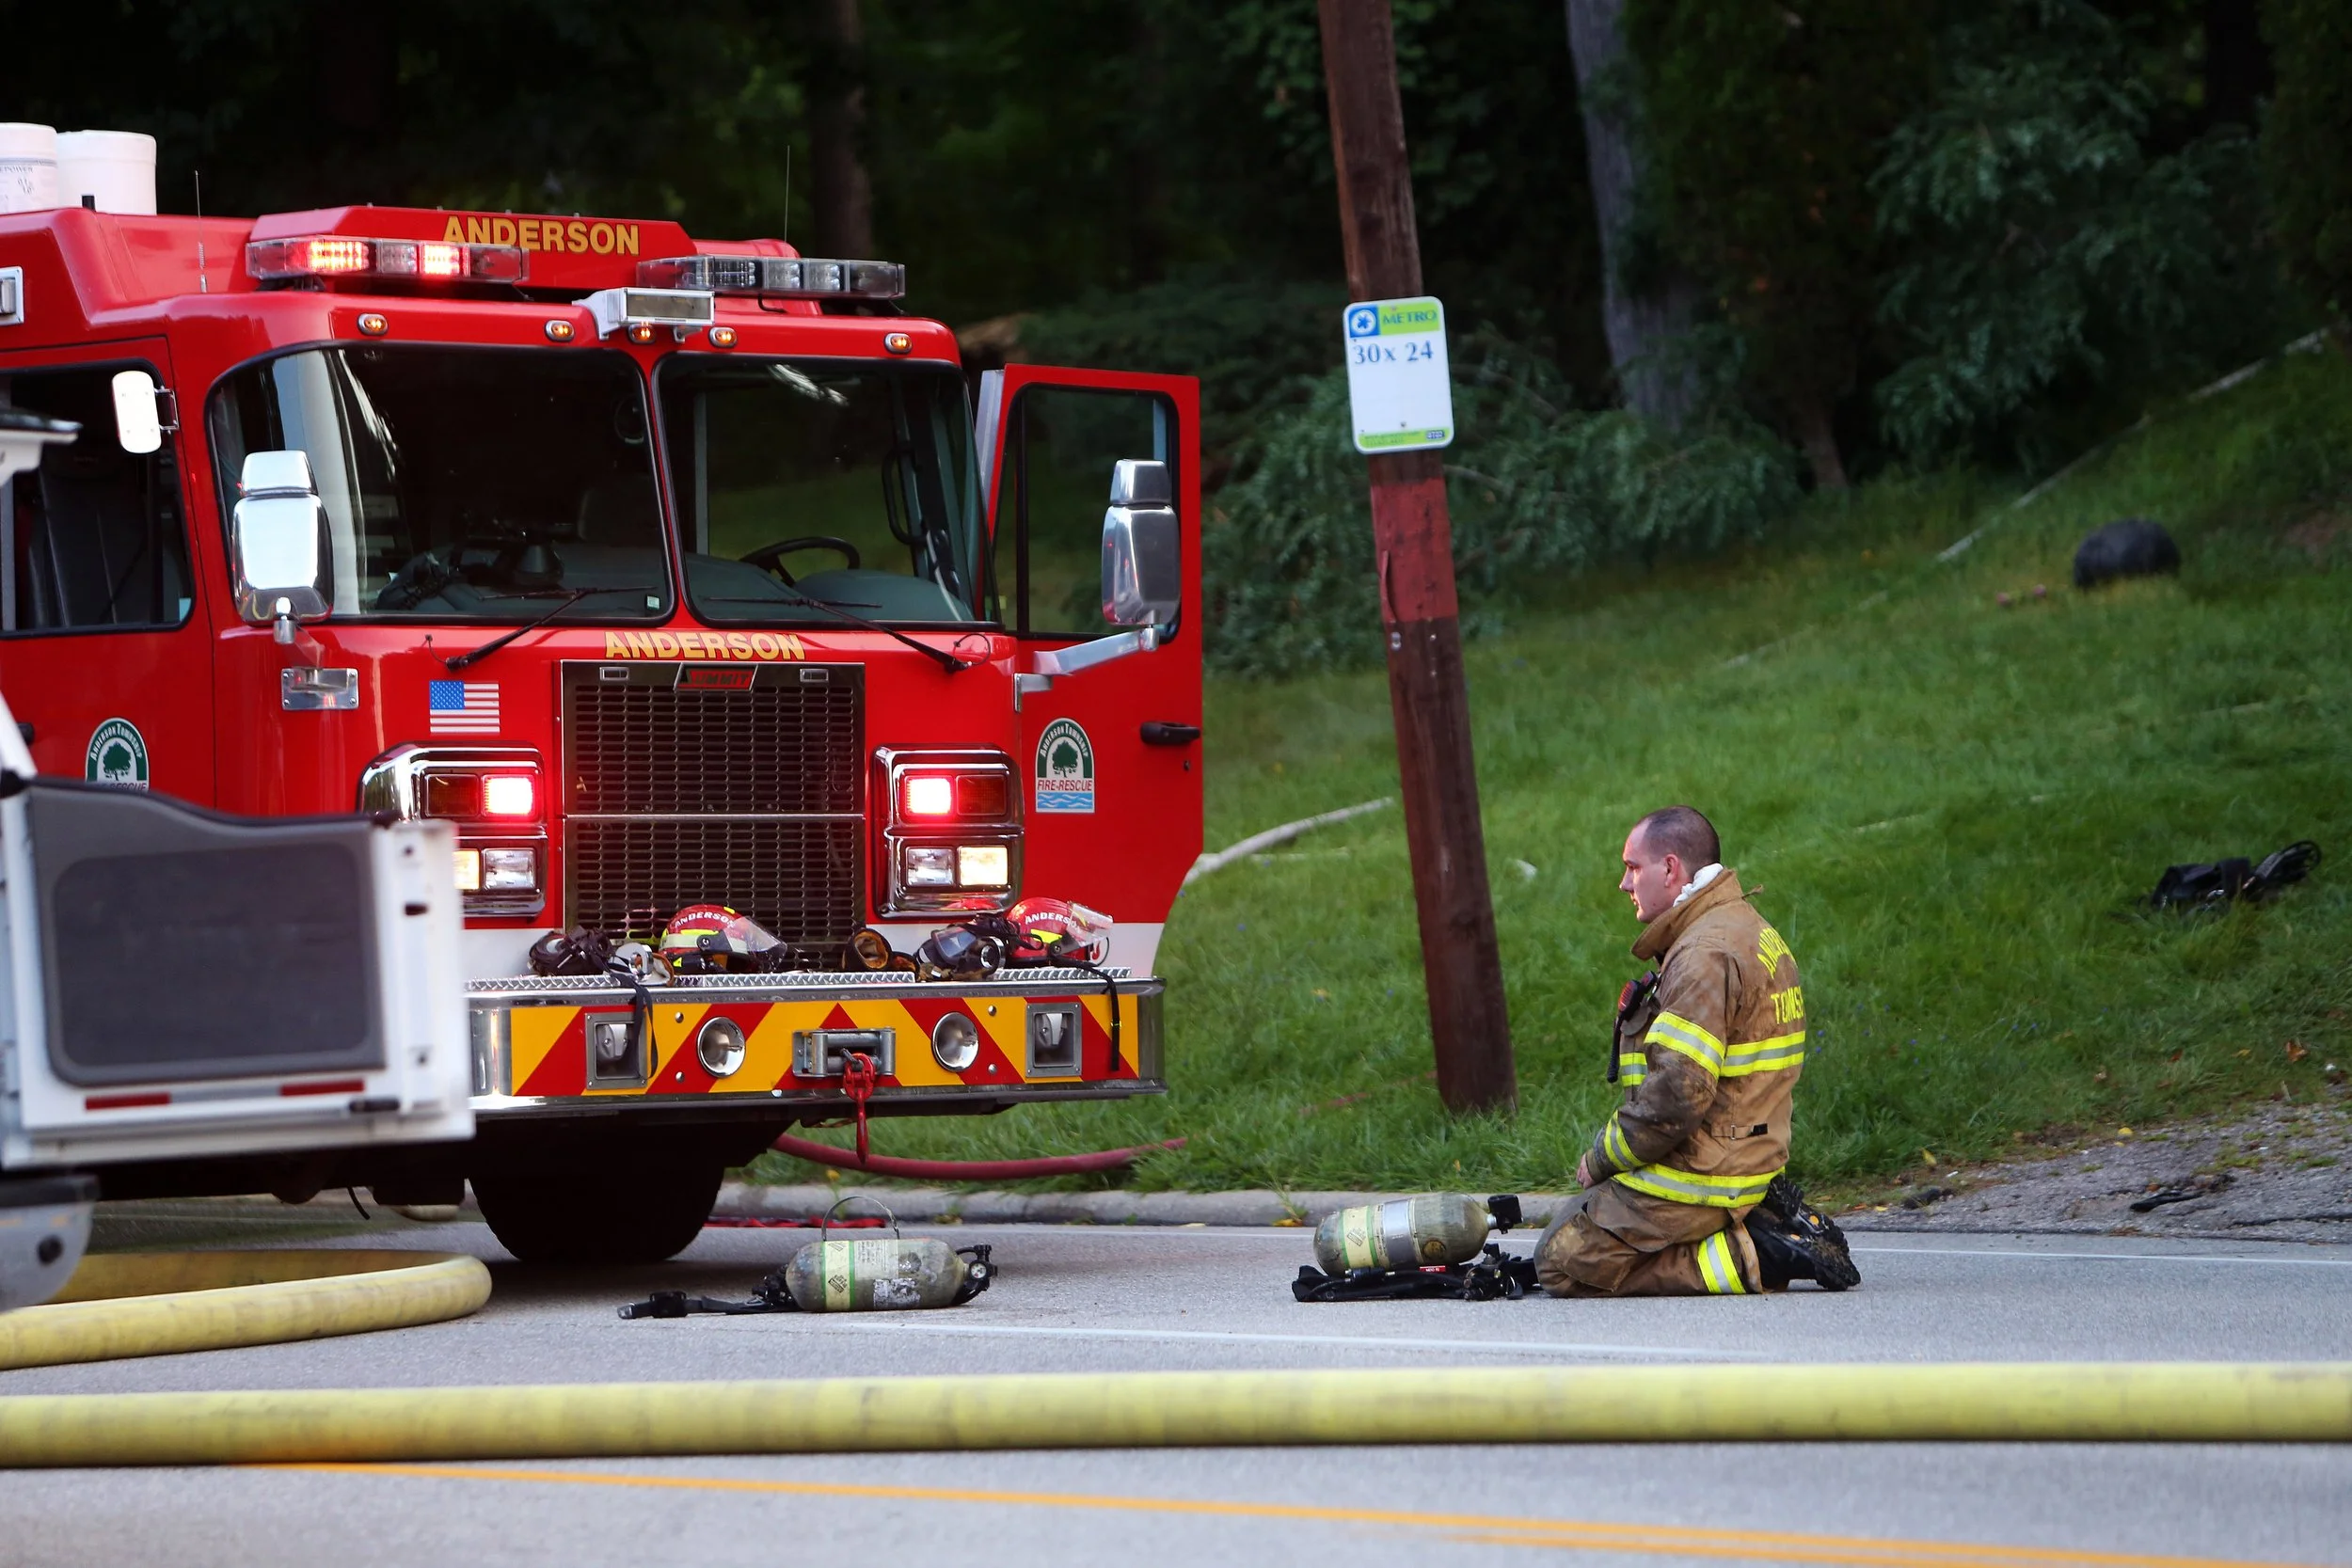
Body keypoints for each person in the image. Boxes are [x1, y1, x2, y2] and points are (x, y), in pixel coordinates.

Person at [1535, 805, 1859, 1296]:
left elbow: (1677, 1095)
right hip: (1750, 1153)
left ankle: (1757, 1253)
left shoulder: (1703, 955)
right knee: (1573, 1218)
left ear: (1670, 869)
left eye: (1632, 868)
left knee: (1562, 1261)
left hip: (1707, 1169)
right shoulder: (1743, 926)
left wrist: (1603, 1158)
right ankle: (1757, 1223)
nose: (1624, 884)